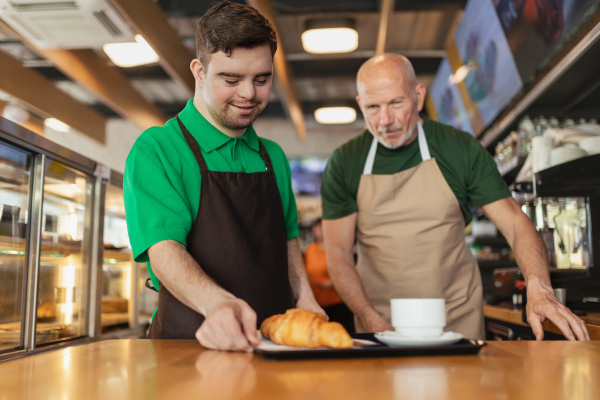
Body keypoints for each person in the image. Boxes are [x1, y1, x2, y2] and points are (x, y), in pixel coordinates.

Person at [320, 53, 589, 341]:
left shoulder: (458, 149)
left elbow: (514, 223)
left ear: (418, 96)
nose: (385, 120)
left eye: (396, 103)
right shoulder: (345, 162)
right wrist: (366, 314)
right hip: (378, 320)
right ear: (360, 104)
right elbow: (338, 255)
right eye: (373, 107)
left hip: (455, 317)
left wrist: (539, 288)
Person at [123, 1, 323, 352]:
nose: (249, 93)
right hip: (186, 352)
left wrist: (305, 297)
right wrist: (217, 303)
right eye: (231, 79)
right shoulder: (158, 148)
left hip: (273, 349)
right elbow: (164, 249)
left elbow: (288, 238)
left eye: (262, 79)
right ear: (199, 72)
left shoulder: (273, 156)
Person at [304, 218, 355, 333]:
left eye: (322, 227)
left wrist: (329, 283)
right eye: (316, 228)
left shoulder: (335, 249)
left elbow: (343, 271)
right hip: (317, 301)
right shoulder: (310, 249)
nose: (319, 231)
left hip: (335, 302)